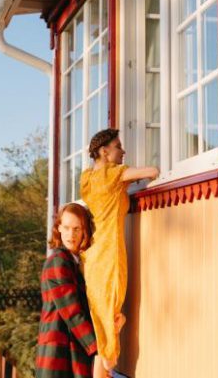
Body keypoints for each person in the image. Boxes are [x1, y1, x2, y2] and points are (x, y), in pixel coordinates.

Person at [80, 128, 159, 377]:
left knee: (103, 321)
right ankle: (109, 365)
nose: (123, 151)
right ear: (104, 151)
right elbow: (153, 172)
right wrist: (129, 177)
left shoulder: (86, 178)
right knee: (110, 321)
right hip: (109, 255)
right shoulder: (114, 174)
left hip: (92, 256)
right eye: (118, 146)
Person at [36, 203, 99, 378]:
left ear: (84, 231)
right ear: (59, 229)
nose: (71, 235)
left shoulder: (74, 262)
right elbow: (72, 312)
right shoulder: (58, 260)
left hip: (71, 347)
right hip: (58, 351)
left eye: (77, 229)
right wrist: (97, 348)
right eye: (67, 228)